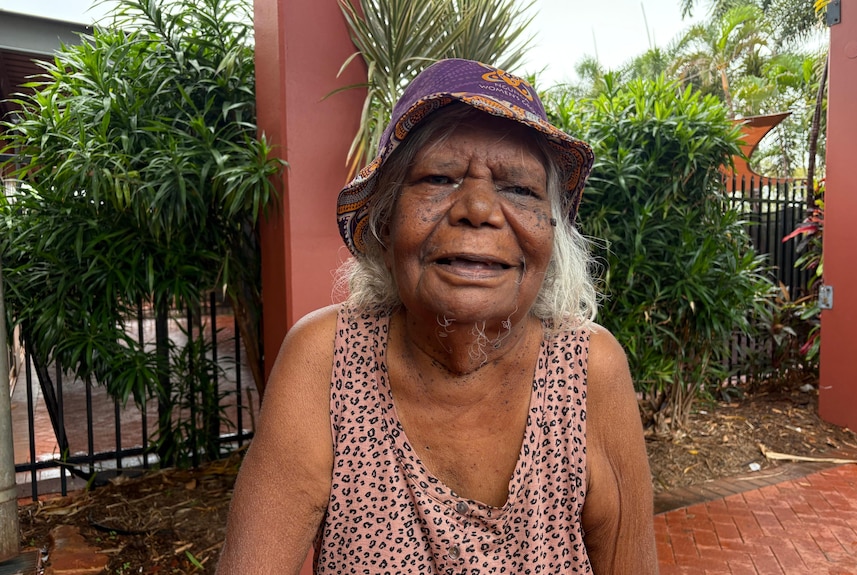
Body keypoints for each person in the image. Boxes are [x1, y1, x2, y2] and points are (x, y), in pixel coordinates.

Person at [217, 58, 657, 574]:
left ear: (550, 235)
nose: (478, 208)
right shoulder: (325, 358)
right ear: (385, 221)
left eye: (518, 188)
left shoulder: (589, 368)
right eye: (440, 177)